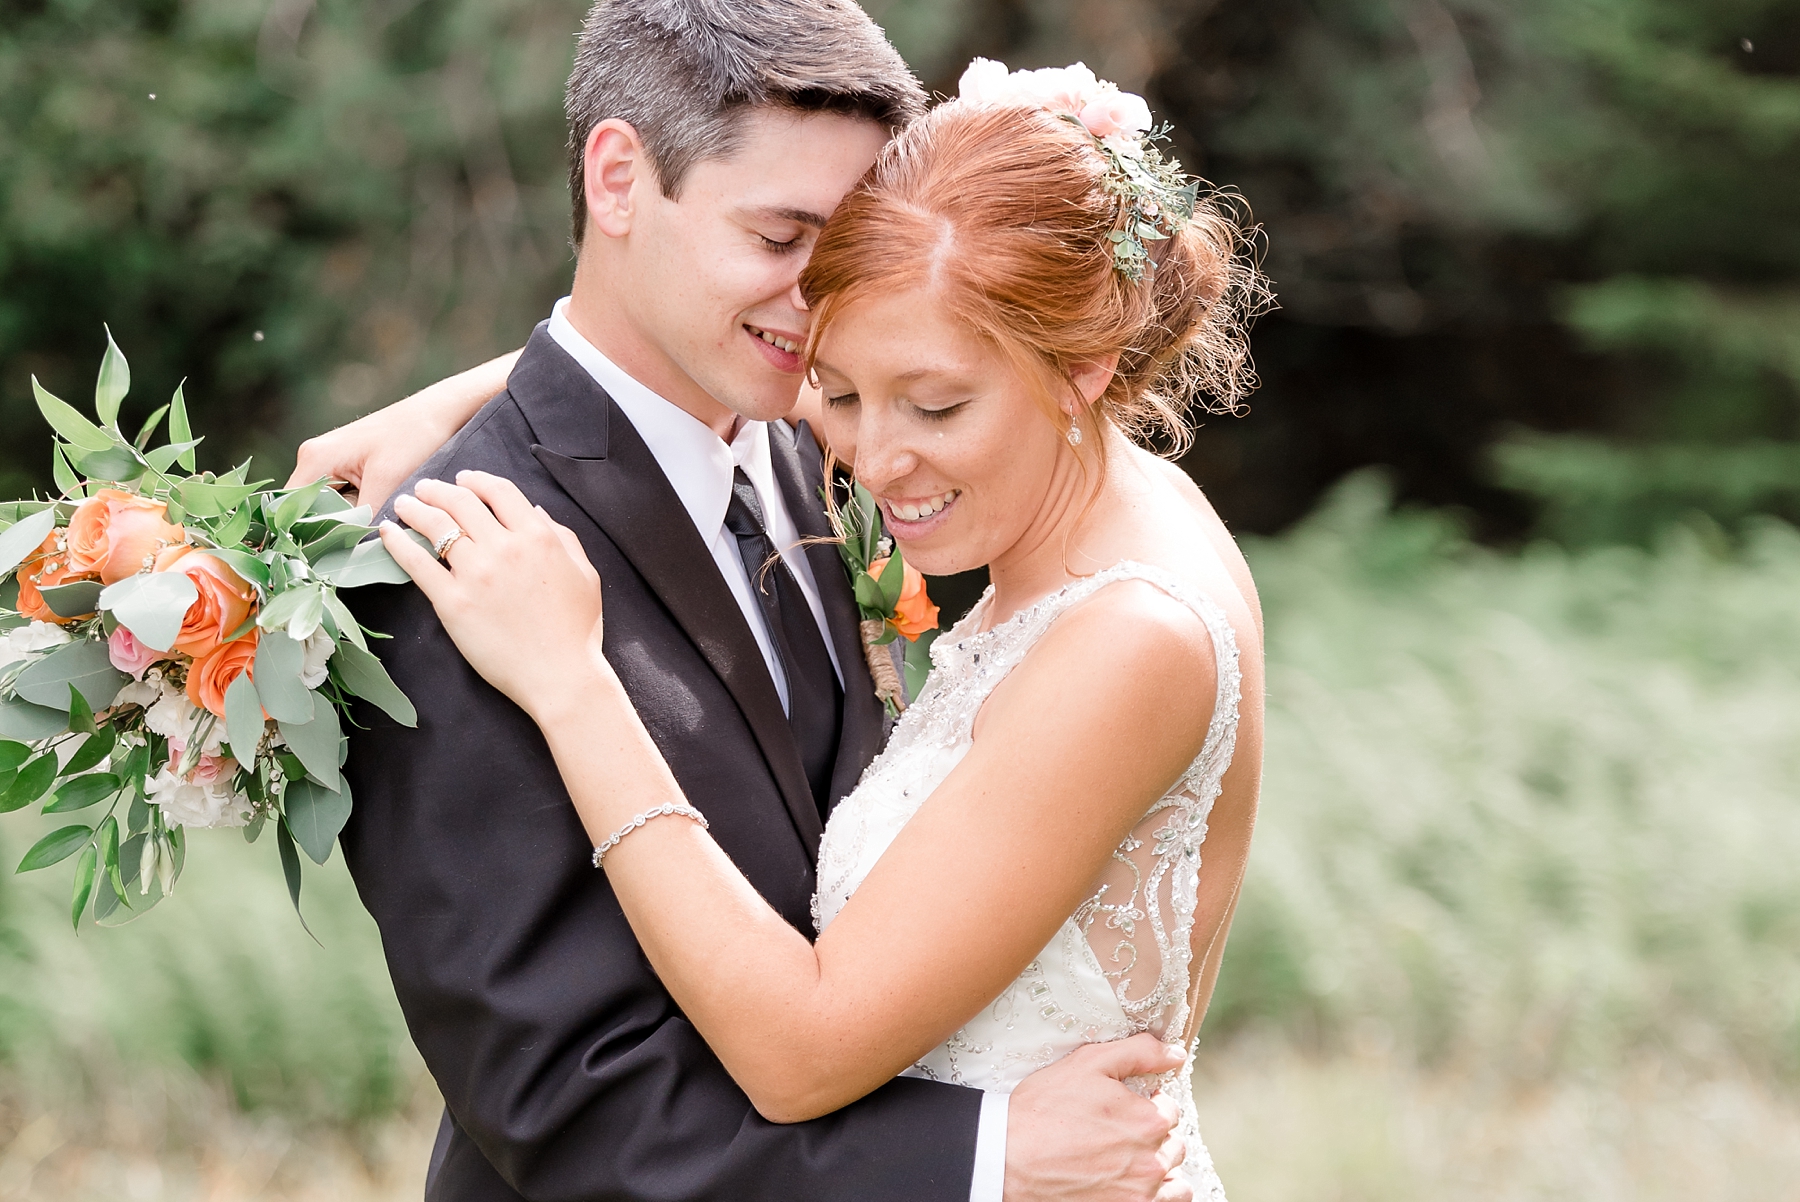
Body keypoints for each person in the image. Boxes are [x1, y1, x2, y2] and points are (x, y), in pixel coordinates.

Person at [326, 45, 1270, 1202]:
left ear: (1082, 365)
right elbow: (564, 1096)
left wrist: (573, 681)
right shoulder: (1111, 491)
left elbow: (803, 1045)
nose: (872, 457)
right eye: (845, 387)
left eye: (931, 403)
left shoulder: (1132, 636)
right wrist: (471, 395)